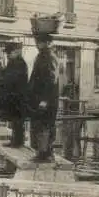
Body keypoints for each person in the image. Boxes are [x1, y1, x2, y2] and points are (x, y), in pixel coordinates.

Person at [28, 34, 60, 162]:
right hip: (38, 98)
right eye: (37, 42)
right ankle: (41, 152)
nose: (37, 44)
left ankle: (46, 154)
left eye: (39, 42)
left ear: (47, 43)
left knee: (45, 126)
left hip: (46, 100)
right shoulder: (41, 56)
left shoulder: (50, 58)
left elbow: (51, 80)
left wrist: (45, 100)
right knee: (38, 125)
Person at [0, 43, 29, 148]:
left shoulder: (20, 63)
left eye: (9, 53)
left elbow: (12, 78)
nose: (7, 55)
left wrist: (2, 79)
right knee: (14, 120)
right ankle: (15, 140)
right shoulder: (12, 63)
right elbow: (4, 74)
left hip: (18, 96)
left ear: (15, 52)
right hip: (12, 96)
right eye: (7, 53)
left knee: (18, 120)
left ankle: (18, 142)